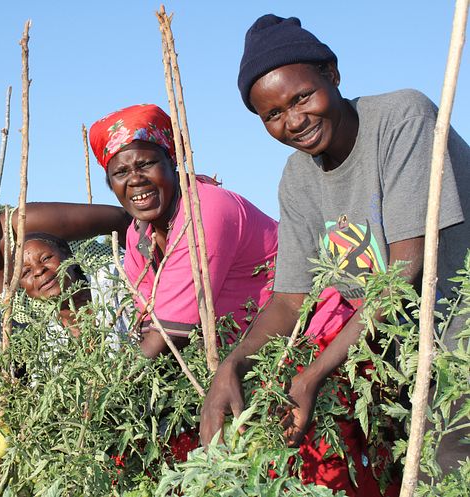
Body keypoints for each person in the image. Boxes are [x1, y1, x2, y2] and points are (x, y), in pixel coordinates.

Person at [200, 13, 470, 490]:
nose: (294, 120)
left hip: (456, 347)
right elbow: (289, 300)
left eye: (301, 97)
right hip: (401, 361)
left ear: (333, 74)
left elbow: (407, 266)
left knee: (442, 472)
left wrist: (314, 374)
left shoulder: (402, 118)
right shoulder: (297, 179)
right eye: (273, 115)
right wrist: (232, 364)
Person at [89, 104, 279, 358]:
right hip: (246, 362)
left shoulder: (204, 209)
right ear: (111, 184)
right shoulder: (138, 234)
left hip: (305, 345)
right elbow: (149, 324)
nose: (135, 179)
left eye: (146, 164)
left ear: (171, 161)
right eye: (121, 172)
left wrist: (107, 390)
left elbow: (165, 339)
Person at [0, 173, 131, 347]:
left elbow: (120, 218)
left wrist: (147, 276)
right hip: (79, 338)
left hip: (122, 302)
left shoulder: (23, 223)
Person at [19, 232, 130, 341]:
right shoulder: (52, 345)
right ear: (23, 289)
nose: (38, 271)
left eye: (46, 258)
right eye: (26, 272)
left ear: (69, 256)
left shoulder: (118, 281)